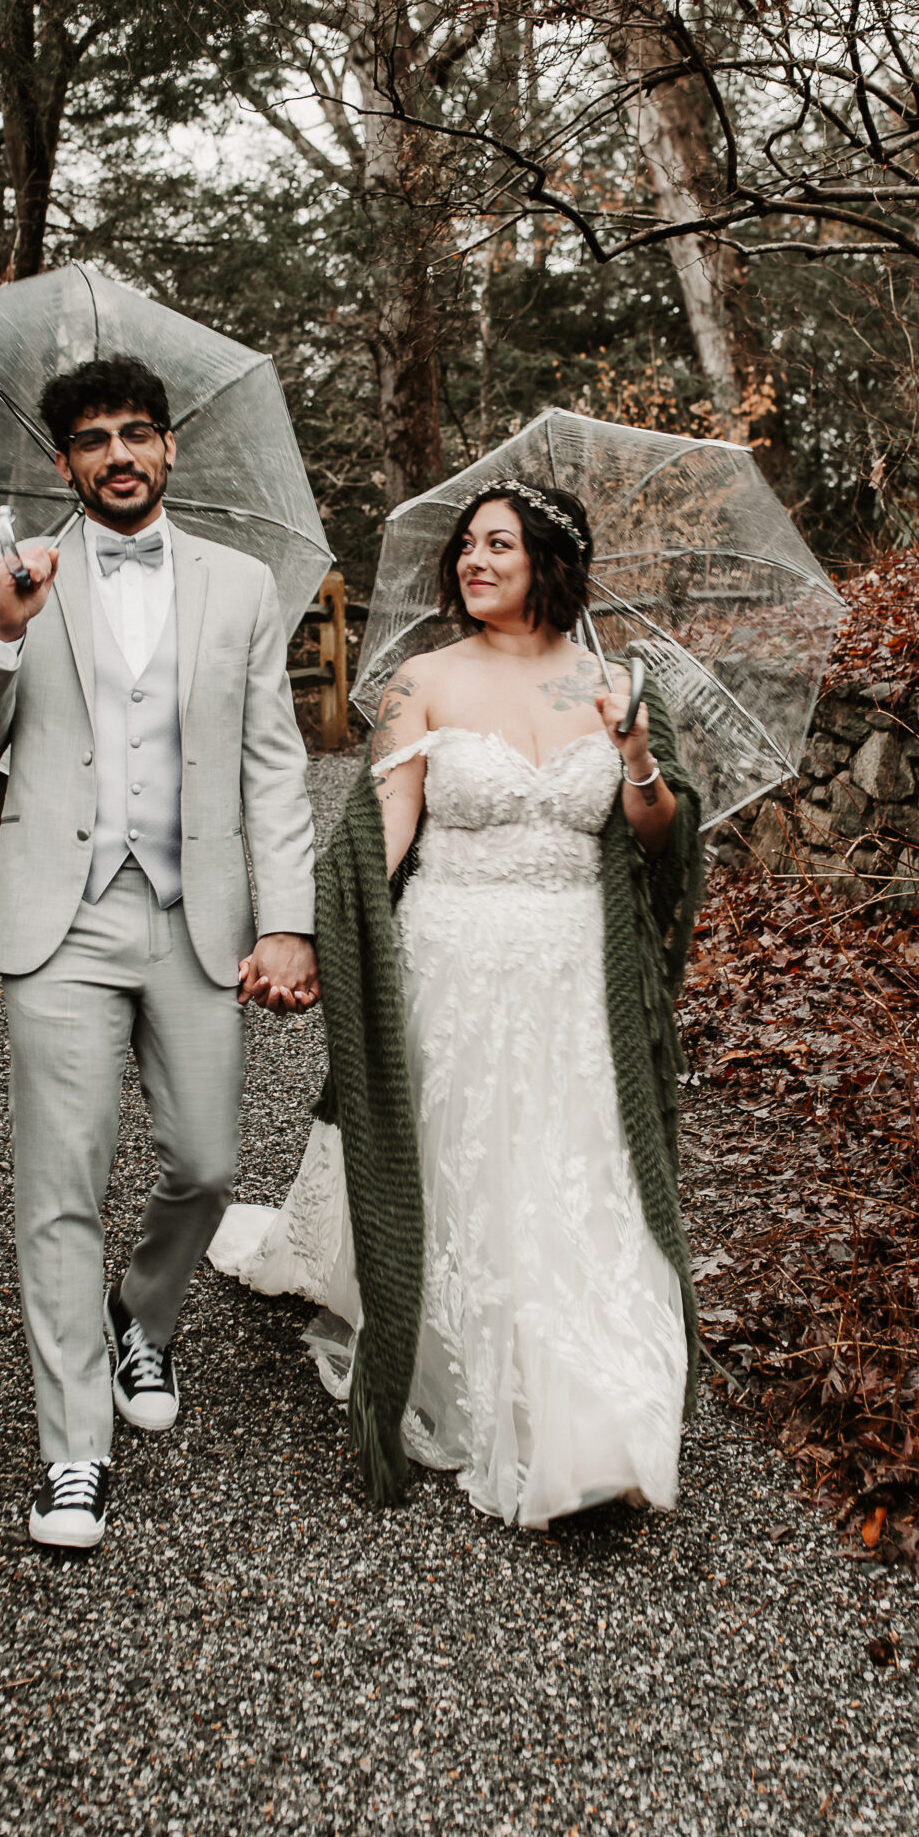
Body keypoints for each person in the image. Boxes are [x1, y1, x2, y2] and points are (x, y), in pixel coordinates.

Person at [210, 480, 704, 1529]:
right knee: (477, 1166)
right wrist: (307, 935)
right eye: (467, 545)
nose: (474, 561)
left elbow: (659, 838)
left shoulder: (615, 682)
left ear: (549, 562)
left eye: (499, 544)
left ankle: (597, 1419)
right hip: (451, 963)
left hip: (576, 973)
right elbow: (385, 833)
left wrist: (635, 756)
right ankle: (493, 1382)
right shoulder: (421, 681)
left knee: (582, 1176)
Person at [0, 354, 319, 1553]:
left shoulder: (241, 583)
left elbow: (271, 759)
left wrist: (286, 915)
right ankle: (72, 1454)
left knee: (206, 1161)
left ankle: (144, 1312)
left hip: (194, 914)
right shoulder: (15, 576)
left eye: (137, 432)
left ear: (168, 447)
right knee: (60, 1189)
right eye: (94, 438)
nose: (119, 454)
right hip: (62, 918)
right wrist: (3, 630)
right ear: (63, 463)